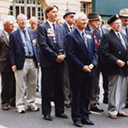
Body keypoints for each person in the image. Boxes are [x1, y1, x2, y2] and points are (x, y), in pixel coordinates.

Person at [65, 12, 98, 127]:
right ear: (76, 22)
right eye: (82, 20)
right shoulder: (71, 36)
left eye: (85, 20)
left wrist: (93, 64)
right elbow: (70, 54)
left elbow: (94, 51)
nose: (85, 22)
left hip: (89, 70)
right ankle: (77, 117)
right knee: (77, 95)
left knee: (86, 95)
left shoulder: (89, 34)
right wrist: (82, 66)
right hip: (77, 71)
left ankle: (85, 116)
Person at [37, 5, 68, 121]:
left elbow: (65, 42)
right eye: (53, 12)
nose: (55, 14)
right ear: (47, 13)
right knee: (47, 88)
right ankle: (46, 112)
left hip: (60, 61)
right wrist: (55, 56)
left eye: (56, 12)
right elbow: (43, 45)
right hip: (48, 62)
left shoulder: (61, 27)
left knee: (59, 86)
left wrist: (64, 55)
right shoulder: (42, 27)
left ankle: (60, 110)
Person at [9, 13, 40, 113]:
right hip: (21, 61)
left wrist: (38, 60)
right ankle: (20, 104)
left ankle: (31, 102)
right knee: (20, 84)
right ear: (17, 22)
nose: (23, 21)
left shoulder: (32, 32)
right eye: (20, 20)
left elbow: (36, 47)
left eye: (24, 19)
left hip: (32, 60)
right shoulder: (14, 34)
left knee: (32, 84)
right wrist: (13, 64)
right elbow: (11, 51)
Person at [100, 14, 128, 119]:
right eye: (116, 24)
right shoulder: (107, 36)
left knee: (123, 88)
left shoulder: (124, 36)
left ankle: (120, 108)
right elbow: (104, 52)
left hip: (124, 66)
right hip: (114, 66)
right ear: (111, 25)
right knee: (114, 88)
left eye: (120, 24)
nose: (118, 26)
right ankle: (112, 109)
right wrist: (116, 60)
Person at [85, 12, 104, 112]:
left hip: (97, 60)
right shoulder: (85, 30)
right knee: (88, 83)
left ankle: (94, 102)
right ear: (92, 22)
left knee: (96, 83)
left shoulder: (98, 31)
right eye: (97, 21)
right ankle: (87, 103)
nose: (99, 23)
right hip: (87, 61)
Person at [0, 16, 15, 110]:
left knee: (14, 82)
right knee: (6, 83)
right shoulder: (0, 35)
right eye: (10, 24)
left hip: (14, 62)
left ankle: (13, 100)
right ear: (5, 25)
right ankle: (5, 102)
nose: (13, 26)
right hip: (4, 63)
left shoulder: (14, 34)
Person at [63, 9, 75, 108]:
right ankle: (66, 99)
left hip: (74, 59)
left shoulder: (74, 28)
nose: (73, 18)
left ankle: (72, 98)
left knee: (72, 79)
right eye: (71, 16)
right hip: (66, 57)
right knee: (65, 80)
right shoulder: (62, 28)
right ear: (65, 18)